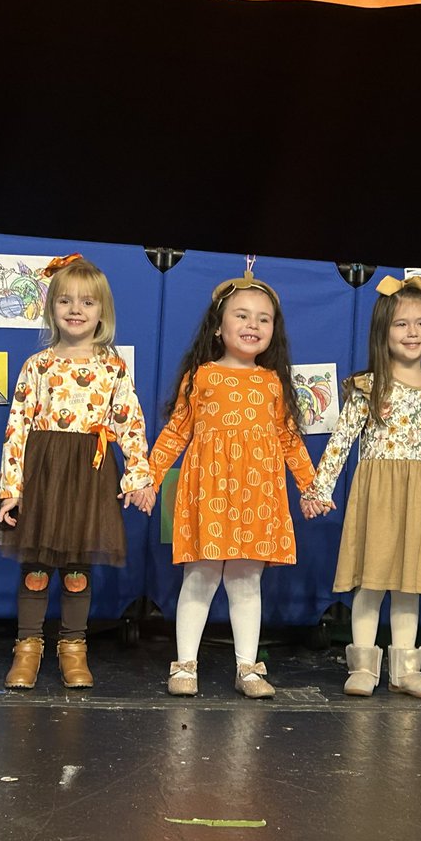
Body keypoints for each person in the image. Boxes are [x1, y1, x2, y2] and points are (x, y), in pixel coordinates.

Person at [303, 275, 421, 698]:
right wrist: (320, 488)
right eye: (402, 324)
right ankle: (363, 665)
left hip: (420, 495)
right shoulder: (370, 387)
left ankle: (405, 668)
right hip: (379, 493)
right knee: (373, 580)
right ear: (384, 331)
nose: (413, 332)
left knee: (410, 583)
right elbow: (341, 440)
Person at [149, 261, 316, 699]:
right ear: (219, 327)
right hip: (210, 492)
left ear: (273, 331)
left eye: (263, 319)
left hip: (256, 495)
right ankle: (185, 665)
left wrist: (309, 486)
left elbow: (289, 438)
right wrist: (146, 478)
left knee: (245, 583)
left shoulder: (272, 383)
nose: (252, 324)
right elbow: (176, 432)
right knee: (200, 578)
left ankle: (248, 668)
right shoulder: (201, 377)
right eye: (241, 315)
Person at [0, 253, 155, 690]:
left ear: (102, 311)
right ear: (52, 308)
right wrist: (12, 487)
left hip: (89, 474)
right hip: (44, 472)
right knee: (37, 564)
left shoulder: (112, 366)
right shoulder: (38, 365)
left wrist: (138, 476)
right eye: (66, 301)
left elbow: (129, 423)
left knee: (77, 566)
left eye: (87, 303)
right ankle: (27, 647)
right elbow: (17, 428)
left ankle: (73, 647)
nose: (76, 310)